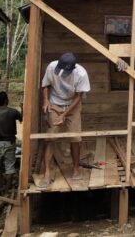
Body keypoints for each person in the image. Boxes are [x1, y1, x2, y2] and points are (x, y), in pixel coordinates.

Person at [38, 52, 90, 188]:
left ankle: (76, 169)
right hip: (55, 103)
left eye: (65, 72)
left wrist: (64, 115)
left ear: (72, 69)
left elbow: (78, 97)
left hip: (73, 105)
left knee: (75, 138)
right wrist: (46, 101)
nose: (61, 74)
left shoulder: (81, 74)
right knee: (50, 138)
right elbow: (45, 85)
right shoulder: (52, 67)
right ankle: (47, 173)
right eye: (59, 70)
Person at [0, 92, 22, 196]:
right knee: (9, 169)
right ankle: (7, 191)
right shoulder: (13, 112)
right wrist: (22, 108)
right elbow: (21, 119)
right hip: (9, 143)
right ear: (6, 100)